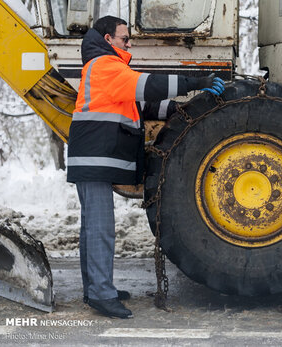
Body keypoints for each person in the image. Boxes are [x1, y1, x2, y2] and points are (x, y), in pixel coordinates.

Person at [67, 16, 225, 319]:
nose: (129, 44)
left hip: (93, 158)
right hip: (95, 159)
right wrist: (198, 83)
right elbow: (149, 86)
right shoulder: (104, 66)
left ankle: (96, 288)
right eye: (125, 38)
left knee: (93, 227)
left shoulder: (107, 69)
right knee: (100, 229)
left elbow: (144, 106)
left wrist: (184, 108)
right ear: (107, 38)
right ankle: (101, 294)